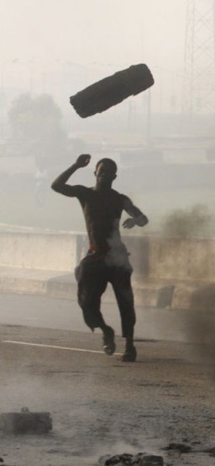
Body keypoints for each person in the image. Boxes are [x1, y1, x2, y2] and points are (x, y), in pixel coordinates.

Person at [51, 154, 148, 362]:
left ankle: (130, 345)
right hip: (95, 256)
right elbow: (56, 186)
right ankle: (105, 330)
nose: (104, 175)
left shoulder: (119, 199)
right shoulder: (85, 194)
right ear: (95, 173)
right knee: (87, 301)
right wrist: (75, 165)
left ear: (115, 176)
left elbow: (143, 218)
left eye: (109, 172)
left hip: (117, 258)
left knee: (125, 302)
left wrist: (134, 220)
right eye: (101, 171)